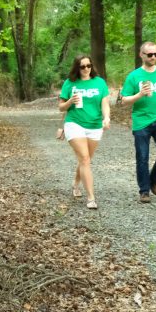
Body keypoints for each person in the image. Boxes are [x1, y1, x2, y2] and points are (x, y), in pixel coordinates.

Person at [121, 41, 156, 203]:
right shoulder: (134, 76)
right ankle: (144, 191)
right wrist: (139, 95)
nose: (153, 57)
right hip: (141, 122)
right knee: (142, 157)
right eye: (150, 54)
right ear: (141, 55)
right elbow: (124, 100)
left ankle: (153, 180)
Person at [59, 55, 110, 209]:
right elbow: (61, 107)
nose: (86, 69)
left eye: (89, 65)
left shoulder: (100, 82)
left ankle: (76, 183)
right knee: (85, 159)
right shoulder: (70, 83)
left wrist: (106, 118)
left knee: (85, 160)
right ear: (77, 68)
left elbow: (105, 103)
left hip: (94, 125)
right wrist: (70, 101)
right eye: (82, 67)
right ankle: (91, 198)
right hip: (74, 123)